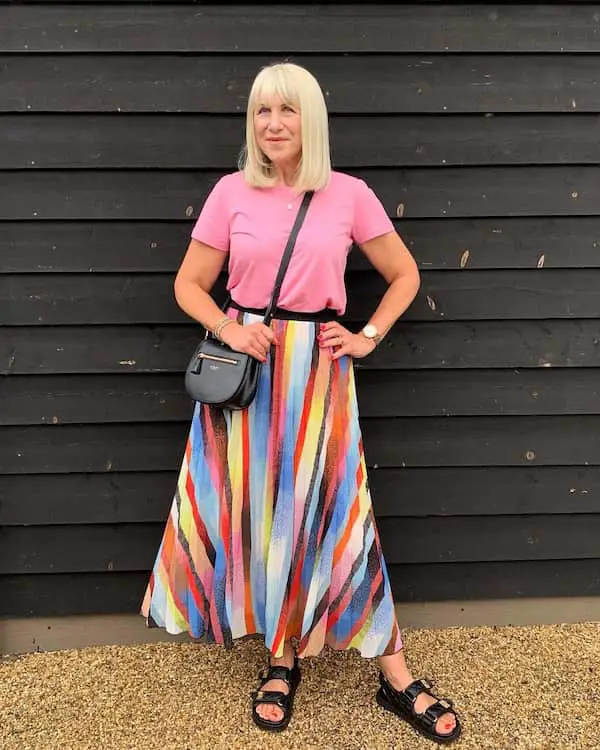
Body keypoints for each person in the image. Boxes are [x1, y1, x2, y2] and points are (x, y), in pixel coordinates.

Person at [141, 61, 461, 744]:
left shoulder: (348, 195)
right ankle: (281, 658)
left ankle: (395, 671)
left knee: (341, 510)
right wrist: (229, 327)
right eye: (261, 112)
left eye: (286, 111)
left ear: (310, 119)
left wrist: (369, 334)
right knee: (265, 513)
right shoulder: (231, 192)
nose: (273, 124)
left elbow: (403, 274)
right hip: (248, 382)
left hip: (319, 376)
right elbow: (190, 285)